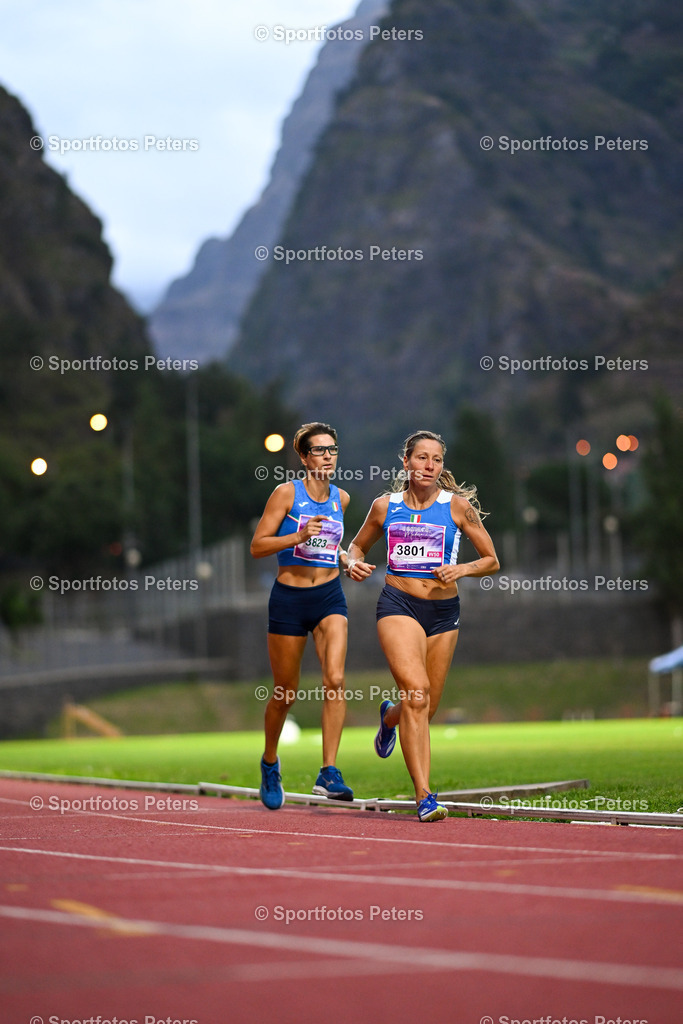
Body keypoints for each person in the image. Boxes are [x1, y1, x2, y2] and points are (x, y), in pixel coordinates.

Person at [345, 429, 499, 822]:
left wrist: (461, 569)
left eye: (437, 460)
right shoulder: (385, 506)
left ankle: (389, 717)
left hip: (443, 613)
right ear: (406, 462)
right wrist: (351, 563)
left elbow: (491, 560)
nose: (429, 466)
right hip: (397, 603)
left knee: (424, 708)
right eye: (422, 458)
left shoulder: (457, 507)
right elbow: (357, 545)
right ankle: (425, 796)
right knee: (418, 692)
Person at [250, 422, 355, 809]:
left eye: (333, 449)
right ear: (304, 456)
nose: (328, 456)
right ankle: (270, 760)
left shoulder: (341, 498)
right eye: (319, 450)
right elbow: (258, 546)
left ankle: (328, 772)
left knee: (337, 679)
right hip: (289, 599)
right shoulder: (285, 494)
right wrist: (296, 536)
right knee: (284, 693)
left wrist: (347, 560)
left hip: (329, 596)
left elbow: (332, 543)